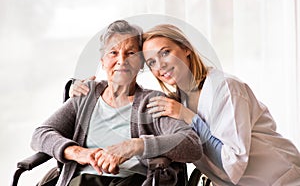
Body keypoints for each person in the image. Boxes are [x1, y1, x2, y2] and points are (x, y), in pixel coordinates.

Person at [72, 23, 300, 185]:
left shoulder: (226, 88)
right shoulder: (175, 99)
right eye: (151, 62)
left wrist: (188, 117)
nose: (160, 65)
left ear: (186, 49)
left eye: (166, 53)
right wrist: (78, 88)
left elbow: (233, 165)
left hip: (280, 177)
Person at [30, 20, 202, 186]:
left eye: (131, 53)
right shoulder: (86, 94)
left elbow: (192, 145)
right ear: (102, 61)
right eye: (113, 52)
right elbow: (41, 134)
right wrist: (78, 153)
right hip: (82, 180)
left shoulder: (152, 102)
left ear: (141, 63)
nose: (122, 60)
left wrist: (136, 145)